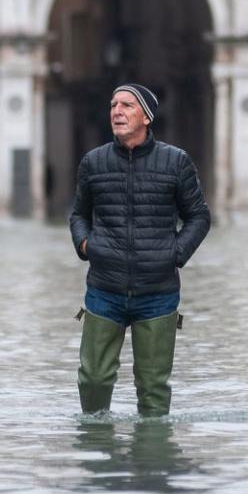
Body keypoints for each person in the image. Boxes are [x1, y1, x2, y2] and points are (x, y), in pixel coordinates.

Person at [69, 83, 210, 417]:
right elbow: (78, 213)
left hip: (158, 291)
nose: (116, 111)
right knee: (92, 379)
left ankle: (152, 462)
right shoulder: (93, 162)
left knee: (153, 388)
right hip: (104, 287)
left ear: (146, 116)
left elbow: (199, 216)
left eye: (127, 105)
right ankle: (99, 457)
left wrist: (175, 254)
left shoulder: (176, 162)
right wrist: (85, 244)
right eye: (113, 104)